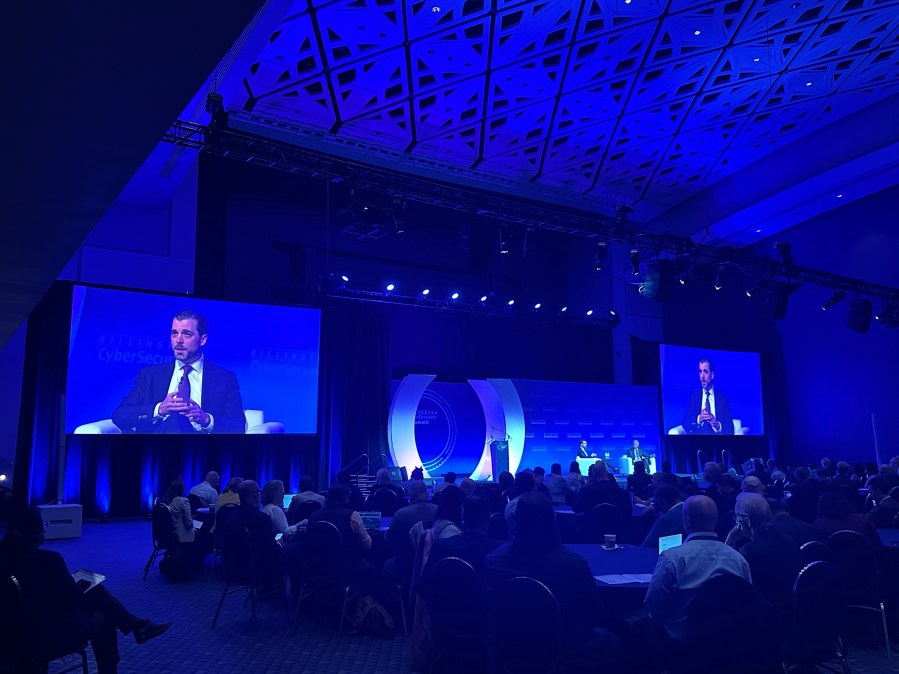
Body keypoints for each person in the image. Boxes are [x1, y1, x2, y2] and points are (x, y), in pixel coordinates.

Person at [0, 508, 170, 673]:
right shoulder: (49, 560)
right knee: (105, 616)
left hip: (8, 636)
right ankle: (125, 644)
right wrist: (79, 589)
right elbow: (72, 601)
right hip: (43, 634)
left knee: (94, 594)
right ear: (37, 533)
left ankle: (136, 625)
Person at [486, 493, 620, 671]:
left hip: (507, 648)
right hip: (565, 651)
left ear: (515, 521)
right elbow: (595, 611)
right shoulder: (574, 565)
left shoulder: (493, 561)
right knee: (611, 639)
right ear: (552, 521)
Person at [111, 310, 245, 434]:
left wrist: (206, 420)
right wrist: (159, 409)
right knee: (176, 421)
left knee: (179, 423)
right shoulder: (150, 375)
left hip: (201, 449)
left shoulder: (224, 379)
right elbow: (120, 415)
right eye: (174, 333)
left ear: (203, 340)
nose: (178, 340)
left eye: (187, 334)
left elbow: (238, 426)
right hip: (157, 445)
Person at [644, 495, 751, 642]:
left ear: (687, 521)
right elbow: (747, 602)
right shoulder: (738, 559)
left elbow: (653, 606)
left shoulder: (672, 558)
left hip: (678, 644)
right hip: (727, 642)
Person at [729, 493, 801, 614]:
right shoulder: (789, 540)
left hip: (765, 619)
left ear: (746, 521)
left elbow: (732, 587)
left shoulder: (749, 552)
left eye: (737, 518)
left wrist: (729, 542)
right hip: (795, 613)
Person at [224, 480, 284, 580]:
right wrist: (278, 544)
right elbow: (269, 549)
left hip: (231, 568)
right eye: (258, 492)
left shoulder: (229, 518)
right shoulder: (262, 518)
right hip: (258, 569)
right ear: (254, 495)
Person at [681, 358, 734, 435]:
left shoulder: (722, 399)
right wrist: (699, 419)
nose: (702, 376)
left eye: (705, 372)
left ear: (712, 375)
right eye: (700, 372)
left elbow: (730, 429)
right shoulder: (694, 397)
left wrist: (718, 425)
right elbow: (685, 423)